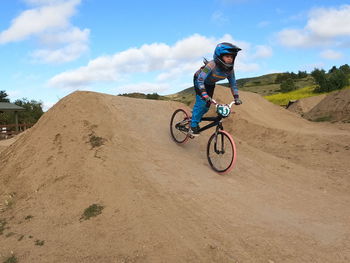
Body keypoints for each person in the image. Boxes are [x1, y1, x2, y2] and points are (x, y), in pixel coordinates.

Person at [190, 42, 242, 136]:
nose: (230, 58)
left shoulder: (230, 70)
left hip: (210, 84)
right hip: (199, 80)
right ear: (219, 56)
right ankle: (193, 125)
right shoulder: (211, 65)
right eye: (227, 56)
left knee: (206, 107)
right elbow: (200, 79)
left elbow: (233, 83)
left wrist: (236, 97)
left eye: (232, 56)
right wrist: (204, 95)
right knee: (201, 103)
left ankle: (195, 115)